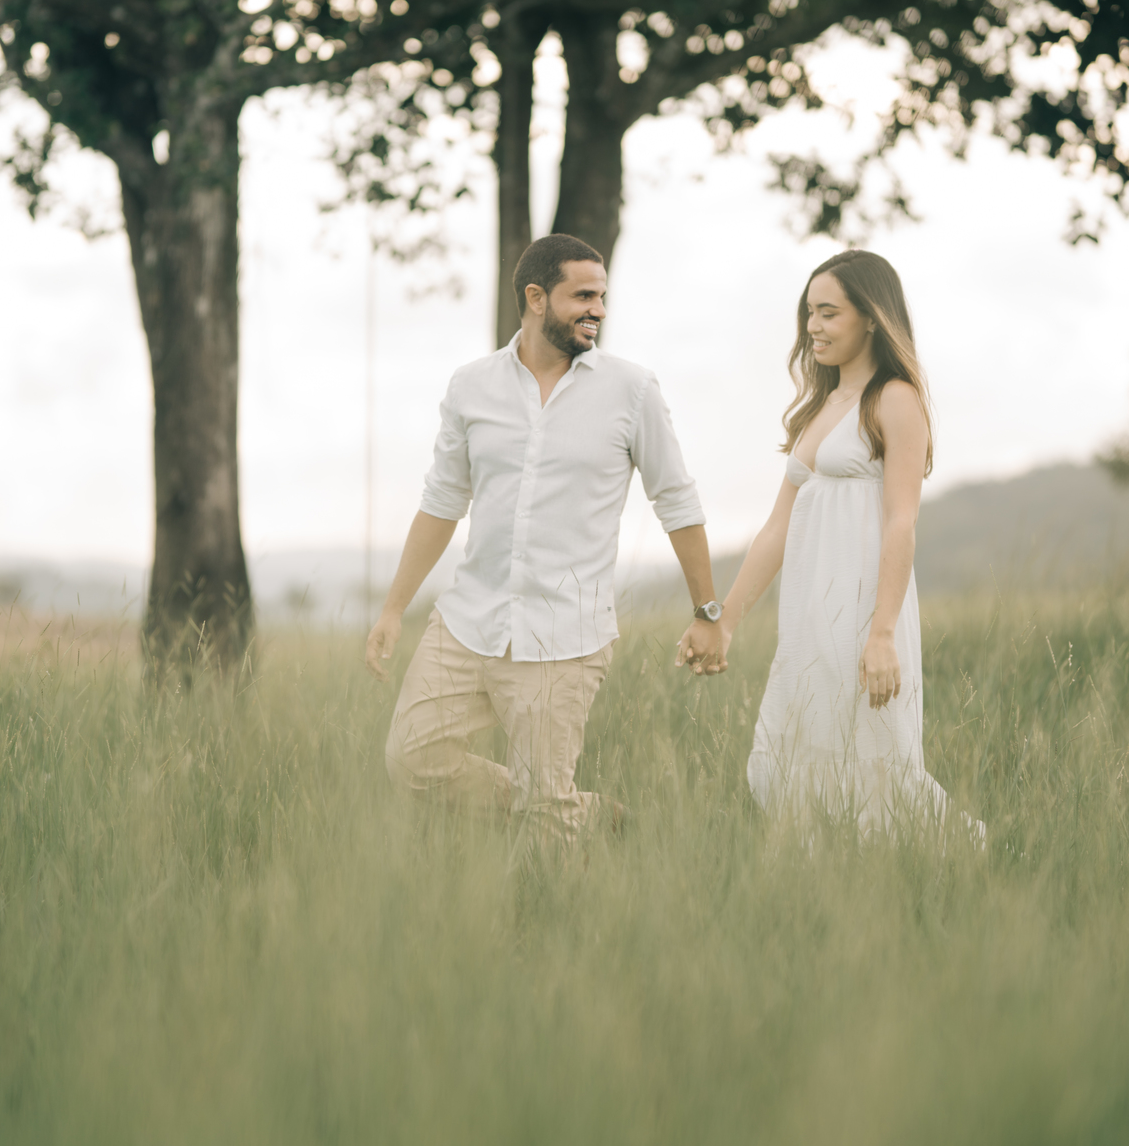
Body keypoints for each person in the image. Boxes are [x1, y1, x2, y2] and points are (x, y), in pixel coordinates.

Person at [367, 233, 728, 840]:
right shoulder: (470, 386)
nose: (599, 310)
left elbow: (677, 501)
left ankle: (548, 886)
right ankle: (584, 813)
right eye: (582, 295)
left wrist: (707, 611)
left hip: (565, 635)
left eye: (603, 296)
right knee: (412, 761)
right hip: (467, 623)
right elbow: (442, 502)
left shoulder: (631, 390)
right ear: (536, 298)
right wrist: (393, 608)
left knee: (543, 812)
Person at [686, 249, 983, 842]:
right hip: (809, 618)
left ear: (871, 317)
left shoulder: (893, 398)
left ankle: (940, 869)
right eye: (808, 314)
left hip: (867, 614)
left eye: (828, 313)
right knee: (794, 750)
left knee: (874, 759)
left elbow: (901, 521)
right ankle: (818, 886)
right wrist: (722, 620)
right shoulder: (821, 408)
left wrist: (881, 633)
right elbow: (776, 529)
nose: (813, 327)